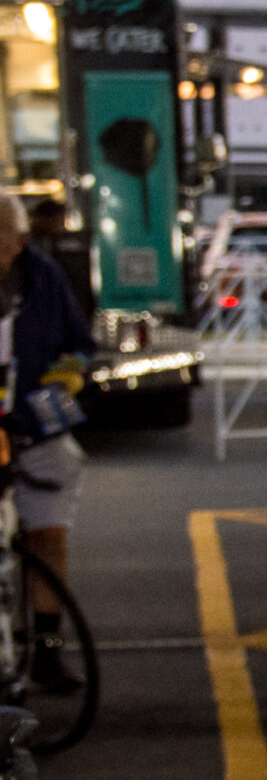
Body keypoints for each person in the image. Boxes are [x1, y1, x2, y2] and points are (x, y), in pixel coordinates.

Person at [0, 192, 96, 695]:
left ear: (20, 240)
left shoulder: (43, 278)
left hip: (35, 426)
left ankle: (48, 651)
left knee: (49, 535)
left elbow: (80, 344)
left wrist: (68, 378)